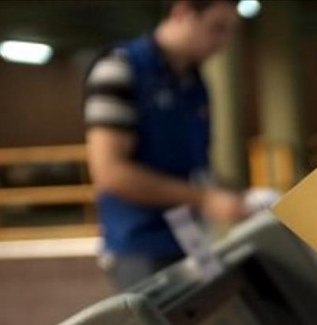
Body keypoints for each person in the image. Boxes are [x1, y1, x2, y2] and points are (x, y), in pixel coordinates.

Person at [83, 0, 247, 290]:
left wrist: (230, 196)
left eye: (229, 32)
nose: (222, 43)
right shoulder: (119, 70)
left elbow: (196, 163)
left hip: (191, 238)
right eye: (216, 28)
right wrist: (204, 199)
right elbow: (109, 172)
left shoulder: (193, 81)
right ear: (182, 12)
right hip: (142, 244)